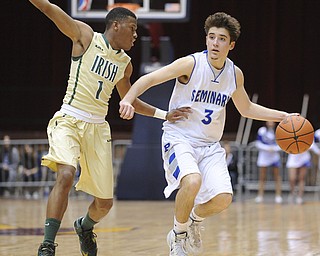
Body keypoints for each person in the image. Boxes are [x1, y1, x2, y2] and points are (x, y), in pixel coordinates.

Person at [119, 12, 297, 256]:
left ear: (231, 45)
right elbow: (149, 79)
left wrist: (283, 116)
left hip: (210, 144)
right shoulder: (190, 64)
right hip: (180, 137)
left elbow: (246, 108)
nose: (215, 43)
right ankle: (178, 237)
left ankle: (192, 221)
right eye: (211, 37)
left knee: (224, 198)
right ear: (206, 40)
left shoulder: (235, 74)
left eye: (221, 39)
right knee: (192, 181)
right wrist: (128, 99)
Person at [28, 2, 189, 256]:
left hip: (98, 128)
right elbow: (49, 9)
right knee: (66, 174)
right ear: (116, 25)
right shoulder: (85, 36)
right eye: (133, 28)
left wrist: (164, 114)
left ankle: (84, 226)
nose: (136, 35)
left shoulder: (125, 63)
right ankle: (47, 244)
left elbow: (131, 101)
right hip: (69, 119)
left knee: (104, 204)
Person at [254, 121, 283, 204]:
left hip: (274, 156)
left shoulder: (278, 131)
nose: (270, 123)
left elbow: (281, 144)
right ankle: (260, 195)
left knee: (277, 176)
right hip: (264, 156)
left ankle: (278, 196)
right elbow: (258, 143)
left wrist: (274, 149)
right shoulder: (262, 130)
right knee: (262, 177)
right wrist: (267, 148)